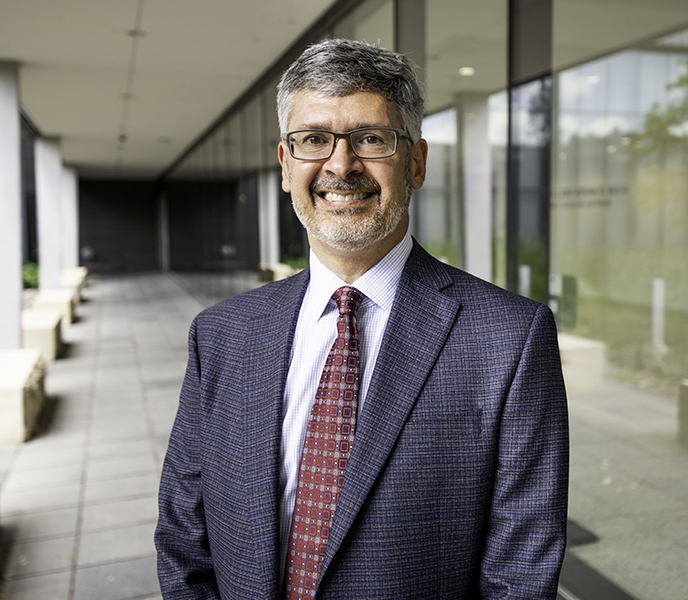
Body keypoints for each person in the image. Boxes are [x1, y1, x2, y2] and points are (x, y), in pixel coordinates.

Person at [155, 38, 569, 600]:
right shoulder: (222, 333)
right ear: (285, 164)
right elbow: (185, 535)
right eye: (313, 140)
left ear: (416, 162)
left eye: (371, 139)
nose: (340, 165)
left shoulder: (510, 339)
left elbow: (520, 574)